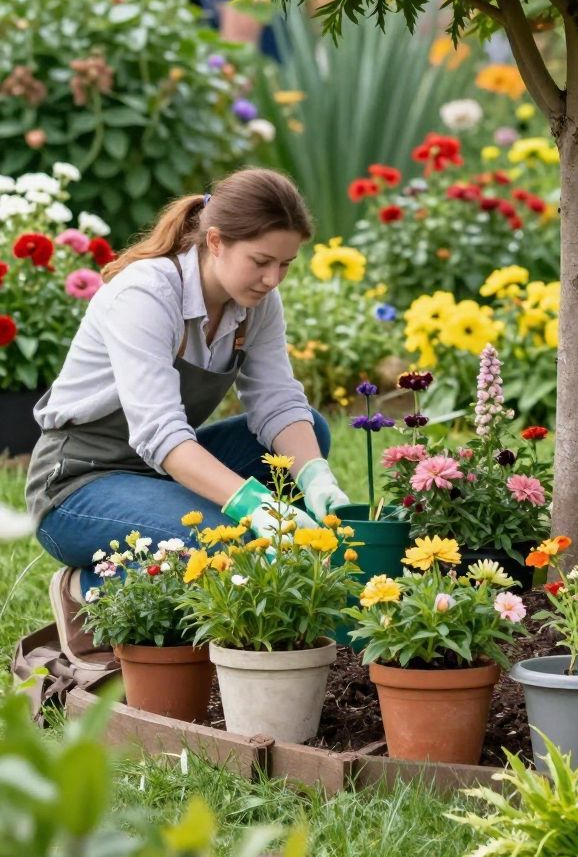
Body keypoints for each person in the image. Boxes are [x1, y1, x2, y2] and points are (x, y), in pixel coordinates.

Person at [26, 167, 349, 662]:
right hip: (78, 484)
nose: (273, 279)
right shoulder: (146, 294)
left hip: (158, 472)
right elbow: (162, 434)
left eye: (285, 264)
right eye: (261, 261)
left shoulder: (257, 303)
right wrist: (254, 505)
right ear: (215, 241)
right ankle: (89, 587)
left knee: (308, 433)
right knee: (225, 545)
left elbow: (278, 400)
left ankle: (171, 548)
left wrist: (316, 476)